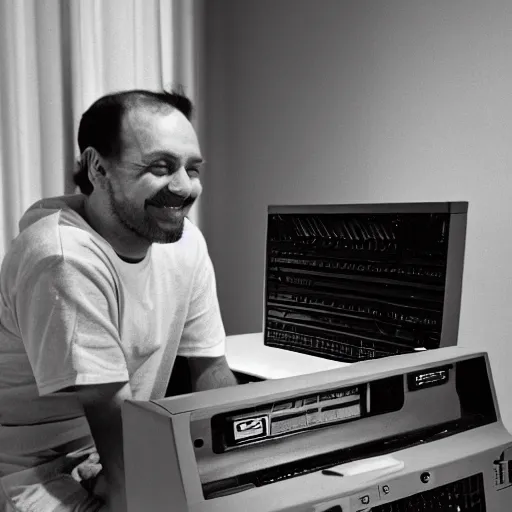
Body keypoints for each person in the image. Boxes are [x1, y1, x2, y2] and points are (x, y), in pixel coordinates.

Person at [0, 89, 238, 512]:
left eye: (193, 169)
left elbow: (211, 370)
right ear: (97, 168)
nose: (184, 187)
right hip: (35, 476)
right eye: (161, 167)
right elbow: (126, 470)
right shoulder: (61, 256)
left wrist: (240, 470)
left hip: (117, 454)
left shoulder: (185, 244)